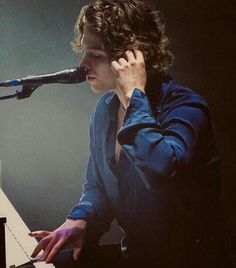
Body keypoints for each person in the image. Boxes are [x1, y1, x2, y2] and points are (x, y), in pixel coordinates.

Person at [27, 0, 231, 267]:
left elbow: (162, 168)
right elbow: (98, 186)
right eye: (84, 52)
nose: (83, 63)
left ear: (133, 59)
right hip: (135, 257)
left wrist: (134, 96)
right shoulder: (105, 110)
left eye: (96, 55)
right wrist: (81, 219)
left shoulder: (186, 108)